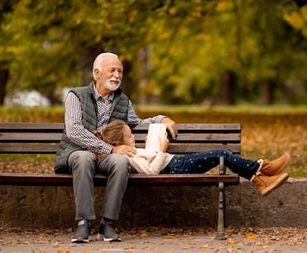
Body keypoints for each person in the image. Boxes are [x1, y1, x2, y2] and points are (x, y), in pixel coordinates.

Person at [54, 52, 177, 243]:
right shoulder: (76, 95)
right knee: (84, 158)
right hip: (76, 152)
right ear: (97, 73)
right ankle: (83, 223)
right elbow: (74, 131)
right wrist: (109, 148)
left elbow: (138, 122)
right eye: (112, 70)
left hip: (105, 158)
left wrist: (162, 118)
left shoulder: (123, 100)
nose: (117, 75)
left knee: (121, 161)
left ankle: (108, 224)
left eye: (120, 71)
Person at [95, 119, 291, 196]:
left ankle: (260, 175)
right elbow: (152, 171)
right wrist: (162, 149)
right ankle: (260, 172)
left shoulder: (127, 152)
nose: (133, 138)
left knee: (220, 154)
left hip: (175, 163)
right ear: (116, 143)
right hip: (175, 167)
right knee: (221, 153)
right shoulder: (126, 156)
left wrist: (158, 132)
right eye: (129, 137)